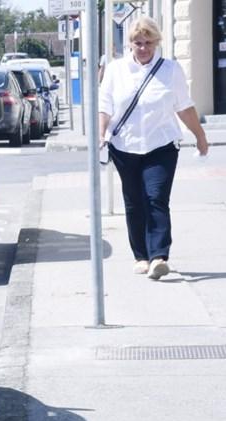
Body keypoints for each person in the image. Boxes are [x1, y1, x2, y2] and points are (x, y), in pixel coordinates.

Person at [98, 16, 209, 280]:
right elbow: (105, 106)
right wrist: (101, 134)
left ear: (157, 43)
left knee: (156, 197)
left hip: (161, 145)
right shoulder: (116, 70)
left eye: (148, 42)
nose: (143, 48)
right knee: (134, 201)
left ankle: (159, 256)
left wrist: (200, 136)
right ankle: (141, 257)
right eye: (138, 43)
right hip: (125, 146)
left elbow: (184, 106)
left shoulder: (170, 70)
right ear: (130, 44)